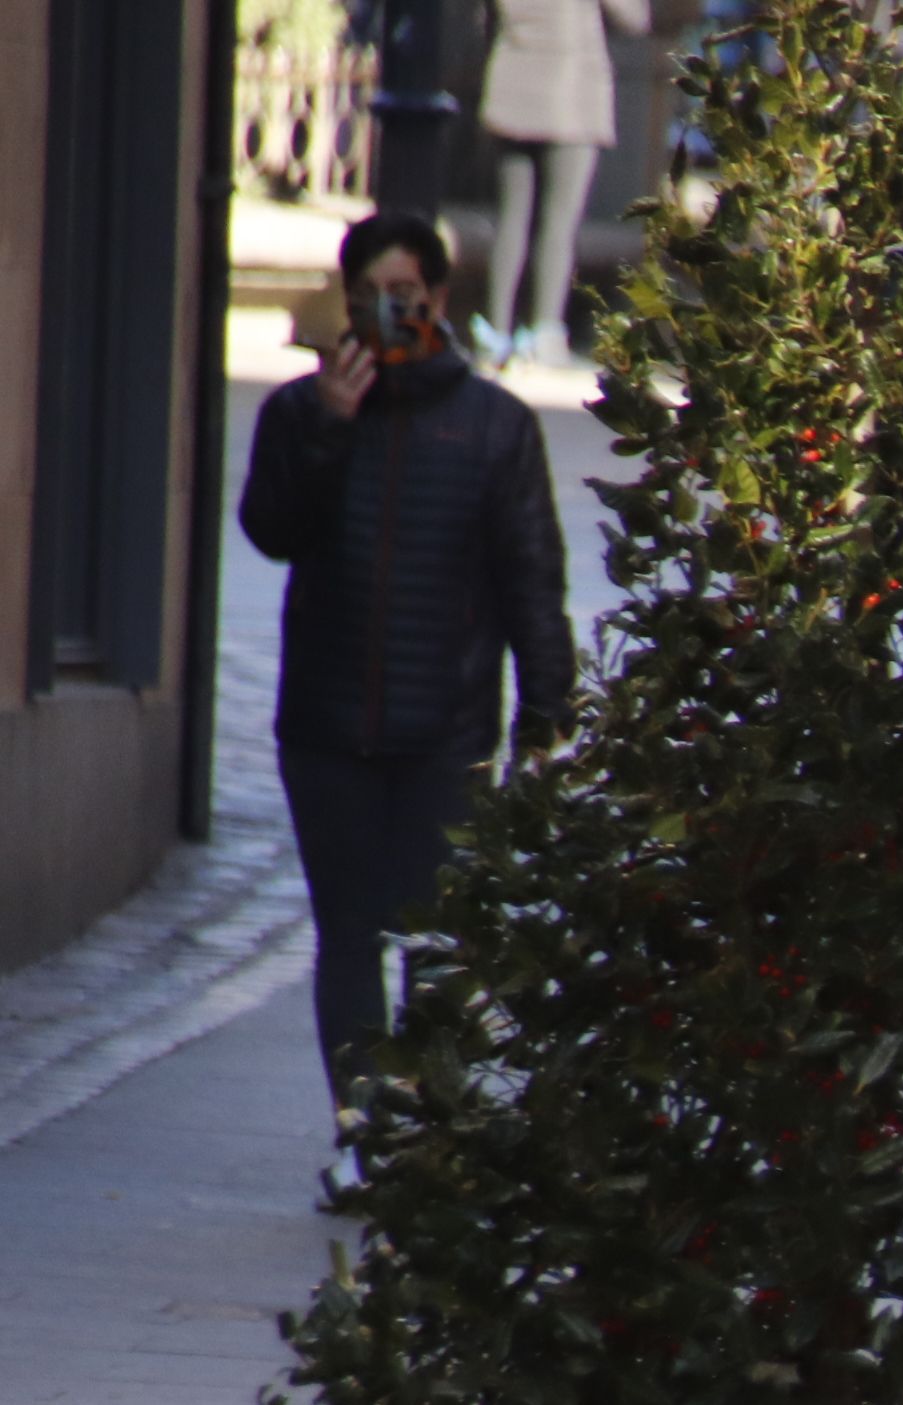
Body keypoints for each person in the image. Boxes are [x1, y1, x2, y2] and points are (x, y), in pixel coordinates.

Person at [238, 209, 572, 1105]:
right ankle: (360, 1125)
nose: (386, 314)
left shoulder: (494, 426)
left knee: (436, 940)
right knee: (348, 936)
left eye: (403, 296)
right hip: (326, 724)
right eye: (368, 298)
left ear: (436, 299)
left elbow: (531, 574)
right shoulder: (300, 411)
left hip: (445, 729)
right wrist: (329, 426)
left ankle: (424, 1135)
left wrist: (548, 707)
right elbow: (271, 530)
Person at [476, 0, 649, 367]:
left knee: (510, 218)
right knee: (559, 222)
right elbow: (635, 18)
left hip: (511, 82)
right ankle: (544, 332)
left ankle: (495, 332)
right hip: (570, 91)